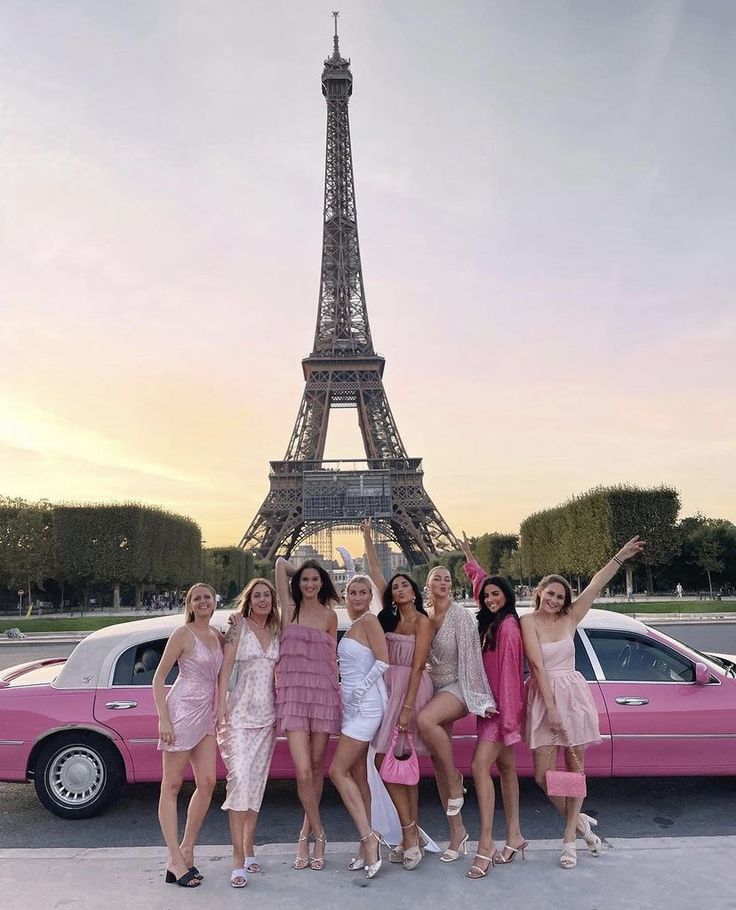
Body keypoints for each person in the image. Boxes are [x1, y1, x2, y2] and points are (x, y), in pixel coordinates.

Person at [521, 536, 645, 869]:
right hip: (545, 698)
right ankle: (580, 823)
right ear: (539, 592)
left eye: (560, 596)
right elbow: (535, 666)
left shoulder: (570, 618)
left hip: (573, 696)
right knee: (542, 776)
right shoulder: (528, 622)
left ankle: (569, 842)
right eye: (550, 593)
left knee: (576, 772)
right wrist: (551, 709)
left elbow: (596, 583)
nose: (554, 599)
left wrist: (620, 555)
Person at [364, 520, 435, 870]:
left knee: (399, 763)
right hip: (388, 689)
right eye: (396, 586)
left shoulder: (423, 621)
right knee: (388, 763)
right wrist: (367, 538)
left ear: (415, 591)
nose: (400, 589)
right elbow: (378, 577)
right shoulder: (388, 619)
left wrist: (407, 708)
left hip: (409, 691)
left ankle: (409, 836)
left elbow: (420, 666)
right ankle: (411, 833)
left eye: (405, 584)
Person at [417, 565, 496, 864]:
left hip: (459, 686)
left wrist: (480, 698)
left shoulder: (460, 615)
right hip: (435, 690)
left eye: (447, 578)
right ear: (428, 584)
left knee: (426, 721)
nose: (443, 582)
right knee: (437, 763)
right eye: (437, 577)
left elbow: (473, 658)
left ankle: (454, 777)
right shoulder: (423, 616)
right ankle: (457, 833)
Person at [460, 534, 526, 879]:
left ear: (507, 596)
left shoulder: (510, 629)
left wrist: (506, 720)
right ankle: (515, 836)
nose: (489, 599)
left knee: (478, 767)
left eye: (496, 594)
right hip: (492, 709)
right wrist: (470, 557)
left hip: (498, 712)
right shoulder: (492, 619)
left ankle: (485, 843)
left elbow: (511, 680)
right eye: (487, 596)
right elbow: (480, 583)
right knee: (508, 770)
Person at [153, 582, 224, 888]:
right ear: (190, 604)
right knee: (171, 785)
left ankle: (187, 849)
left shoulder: (218, 635)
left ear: (215, 601)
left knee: (207, 783)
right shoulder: (183, 634)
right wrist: (164, 720)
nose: (203, 601)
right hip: (181, 711)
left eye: (207, 596)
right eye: (197, 598)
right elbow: (157, 679)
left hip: (206, 714)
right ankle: (173, 858)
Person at [274, 557, 341, 871]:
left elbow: (332, 660)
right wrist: (301, 568)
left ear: (322, 583)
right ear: (297, 584)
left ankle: (305, 832)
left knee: (316, 768)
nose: (310, 585)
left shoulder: (329, 615)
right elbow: (278, 563)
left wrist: (314, 569)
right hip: (294, 697)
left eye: (315, 580)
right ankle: (320, 834)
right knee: (302, 771)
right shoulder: (289, 610)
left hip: (322, 696)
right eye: (304, 580)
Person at [217, 578, 280, 888]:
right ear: (249, 599)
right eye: (257, 595)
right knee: (239, 782)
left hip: (268, 718)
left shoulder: (278, 628)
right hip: (240, 716)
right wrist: (220, 708)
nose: (262, 600)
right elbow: (226, 669)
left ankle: (249, 848)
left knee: (255, 786)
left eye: (267, 595)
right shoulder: (238, 626)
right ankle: (237, 859)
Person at [329, 574, 389, 879]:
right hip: (351, 706)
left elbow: (383, 662)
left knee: (337, 771)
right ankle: (365, 841)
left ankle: (370, 839)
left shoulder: (369, 621)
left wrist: (358, 690)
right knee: (357, 774)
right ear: (345, 595)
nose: (356, 596)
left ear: (370, 597)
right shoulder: (354, 624)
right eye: (351, 591)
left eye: (362, 592)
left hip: (364, 707)